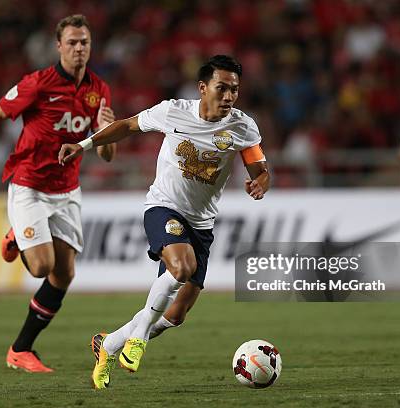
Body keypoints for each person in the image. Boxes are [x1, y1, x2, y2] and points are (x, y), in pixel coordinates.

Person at [59, 55, 270, 389]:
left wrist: (260, 182)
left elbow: (259, 168)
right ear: (203, 88)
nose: (229, 95)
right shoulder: (173, 111)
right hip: (164, 207)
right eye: (222, 88)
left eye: (234, 89)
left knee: (176, 315)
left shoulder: (242, 127)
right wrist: (84, 145)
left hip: (202, 224)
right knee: (181, 268)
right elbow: (127, 125)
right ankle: (138, 338)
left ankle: (108, 344)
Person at [0, 14, 116, 373]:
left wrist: (107, 131)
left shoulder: (100, 91)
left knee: (64, 274)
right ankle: (17, 235)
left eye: (85, 42)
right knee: (42, 267)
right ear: (59, 46)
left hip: (68, 189)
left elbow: (107, 155)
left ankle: (21, 349)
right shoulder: (38, 83)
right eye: (73, 42)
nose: (79, 48)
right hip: (29, 184)